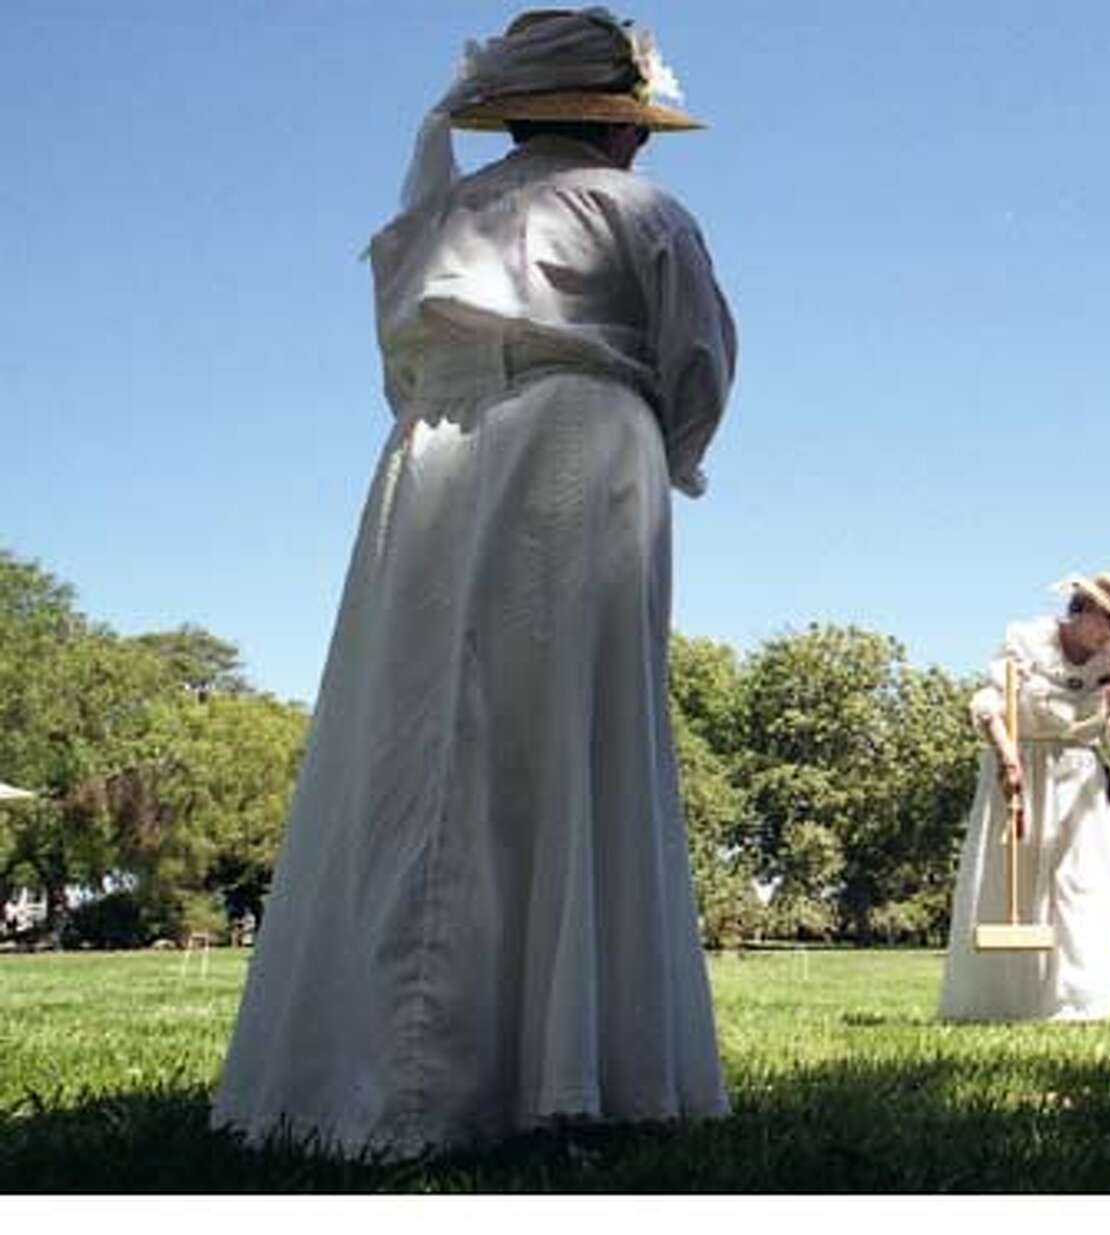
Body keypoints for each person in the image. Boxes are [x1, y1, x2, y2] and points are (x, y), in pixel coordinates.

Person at [211, 8, 735, 1153]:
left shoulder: (432, 217)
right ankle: (557, 1068)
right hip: (583, 448)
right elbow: (697, 362)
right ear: (617, 123)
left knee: (411, 734)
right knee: (566, 735)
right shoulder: (642, 212)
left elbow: (397, 365)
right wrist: (665, 452)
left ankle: (381, 1064)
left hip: (432, 454)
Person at [939, 572, 1110, 1023]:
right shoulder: (1026, 642)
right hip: (1020, 770)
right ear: (1084, 608)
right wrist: (1007, 759)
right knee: (1011, 879)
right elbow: (988, 706)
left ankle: (1075, 1004)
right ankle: (1000, 1004)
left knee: (1078, 887)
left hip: (1081, 788)